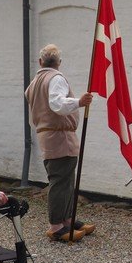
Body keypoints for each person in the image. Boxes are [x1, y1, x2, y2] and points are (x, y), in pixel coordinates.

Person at [25, 44, 95, 242]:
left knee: (66, 179)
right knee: (59, 181)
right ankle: (56, 225)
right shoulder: (55, 78)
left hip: (52, 134)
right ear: (59, 62)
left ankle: (67, 219)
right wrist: (79, 102)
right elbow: (56, 104)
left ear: (40, 61)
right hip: (59, 136)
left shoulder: (35, 82)